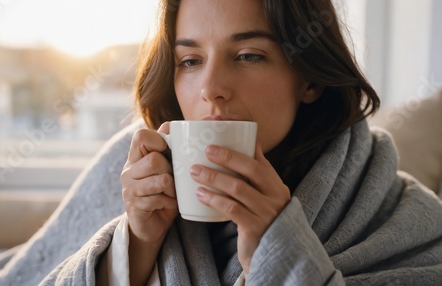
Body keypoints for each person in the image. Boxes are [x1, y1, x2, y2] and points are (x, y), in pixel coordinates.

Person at [39, 0, 442, 285]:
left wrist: (281, 254)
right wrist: (138, 243)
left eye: (248, 55)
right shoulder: (140, 163)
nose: (211, 89)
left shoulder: (409, 220)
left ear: (310, 79)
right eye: (190, 61)